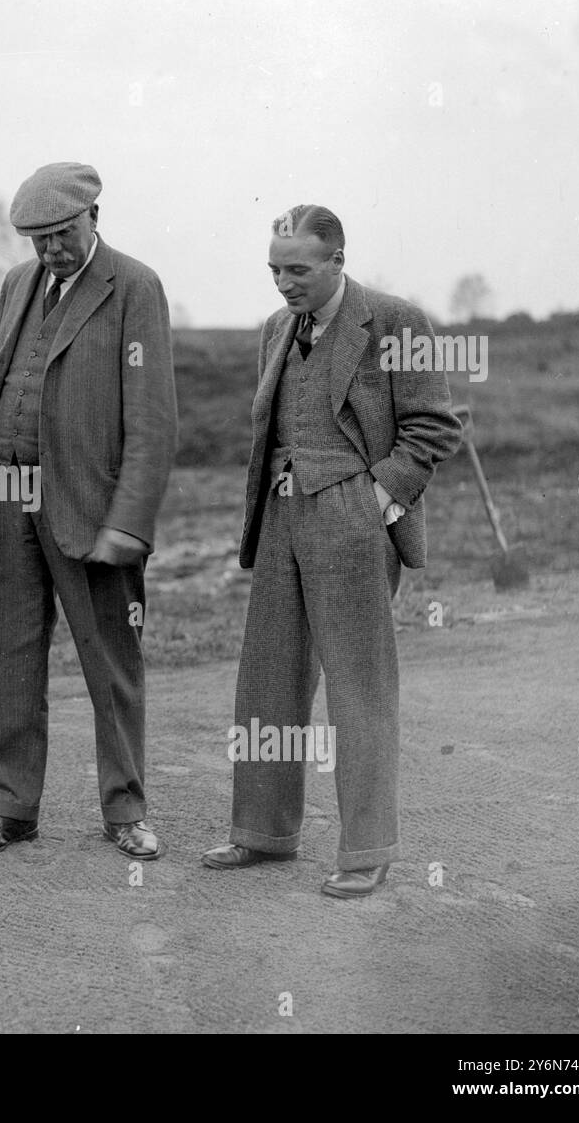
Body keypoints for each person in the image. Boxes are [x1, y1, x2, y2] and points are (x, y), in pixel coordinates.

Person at [203, 204, 463, 897]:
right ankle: (262, 831)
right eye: (275, 270)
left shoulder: (397, 322)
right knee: (268, 679)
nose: (284, 283)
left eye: (298, 269)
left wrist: (375, 502)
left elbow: (434, 427)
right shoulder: (276, 331)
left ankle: (366, 849)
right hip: (283, 519)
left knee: (359, 689)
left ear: (338, 261)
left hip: (354, 519)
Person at [0, 162, 179, 861]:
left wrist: (128, 523)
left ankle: (126, 811)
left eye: (63, 233)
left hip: (89, 505)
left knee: (111, 662)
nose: (52, 250)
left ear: (95, 219)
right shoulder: (18, 284)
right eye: (39, 238)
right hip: (6, 497)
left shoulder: (135, 286)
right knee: (8, 656)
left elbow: (153, 419)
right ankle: (10, 808)